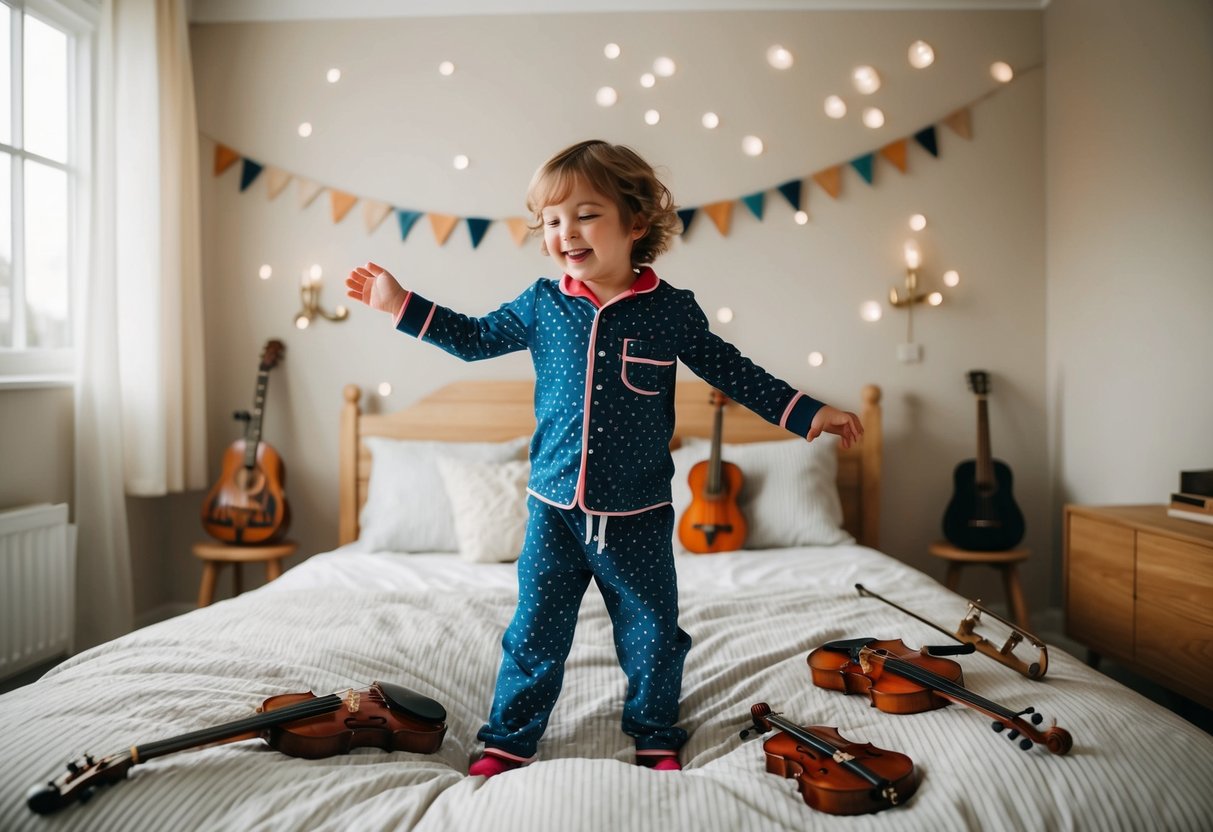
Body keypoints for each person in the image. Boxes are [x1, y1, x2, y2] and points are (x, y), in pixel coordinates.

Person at [345, 139, 863, 779]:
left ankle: (652, 732)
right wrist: (401, 304)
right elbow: (475, 338)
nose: (566, 232)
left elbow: (734, 370)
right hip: (553, 510)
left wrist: (811, 414)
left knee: (652, 635)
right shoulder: (541, 304)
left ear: (635, 222)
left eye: (585, 214)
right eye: (553, 221)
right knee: (534, 633)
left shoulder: (671, 312)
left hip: (638, 512)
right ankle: (509, 739)